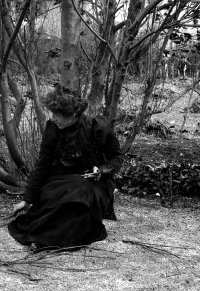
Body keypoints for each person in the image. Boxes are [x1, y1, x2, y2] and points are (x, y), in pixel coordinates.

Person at [8, 84, 124, 252]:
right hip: (61, 181)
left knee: (80, 195)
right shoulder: (53, 129)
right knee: (54, 202)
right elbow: (43, 164)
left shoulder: (96, 127)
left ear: (74, 115)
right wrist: (27, 199)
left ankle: (45, 241)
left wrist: (102, 170)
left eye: (58, 115)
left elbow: (117, 157)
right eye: (52, 113)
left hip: (95, 183)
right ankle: (49, 237)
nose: (54, 118)